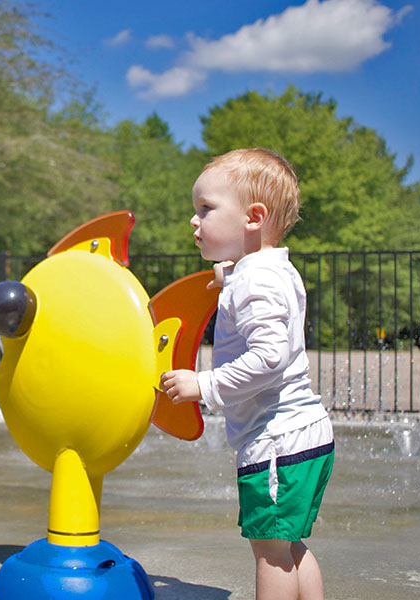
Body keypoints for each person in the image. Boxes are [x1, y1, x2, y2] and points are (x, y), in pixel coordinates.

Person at [160, 148, 334, 600]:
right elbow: (257, 291)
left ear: (253, 217)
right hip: (302, 437)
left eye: (206, 209)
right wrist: (231, 275)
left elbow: (269, 357)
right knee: (288, 545)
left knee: (270, 553)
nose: (194, 221)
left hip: (276, 442)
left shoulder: (255, 281)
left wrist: (205, 384)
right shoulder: (269, 270)